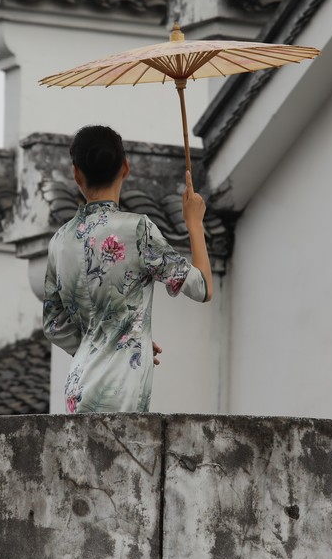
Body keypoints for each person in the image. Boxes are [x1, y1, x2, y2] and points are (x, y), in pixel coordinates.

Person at [43, 125, 213, 413]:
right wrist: (194, 222)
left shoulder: (60, 240)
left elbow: (53, 324)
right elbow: (203, 288)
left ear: (76, 173)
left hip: (77, 386)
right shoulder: (137, 229)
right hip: (118, 387)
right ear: (125, 167)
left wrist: (120, 336)